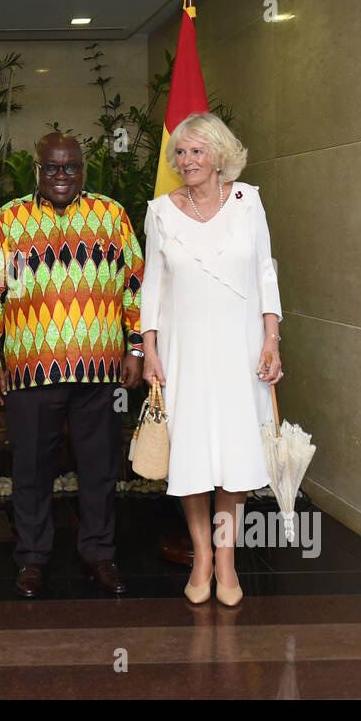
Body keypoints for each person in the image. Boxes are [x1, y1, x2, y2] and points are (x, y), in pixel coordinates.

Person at [0, 132, 145, 598]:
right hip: (30, 370)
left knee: (100, 468)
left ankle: (99, 554)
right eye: (52, 168)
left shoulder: (112, 215)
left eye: (71, 167)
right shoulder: (8, 220)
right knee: (30, 468)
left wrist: (137, 348)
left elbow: (136, 285)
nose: (62, 176)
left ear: (83, 169)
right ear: (37, 170)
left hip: (101, 369)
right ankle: (31, 559)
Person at [140, 113, 283, 607]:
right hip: (185, 351)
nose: (187, 161)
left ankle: (227, 558)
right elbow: (152, 286)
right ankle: (202, 555)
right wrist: (150, 349)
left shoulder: (248, 202)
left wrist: (272, 339)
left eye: (197, 151)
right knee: (194, 455)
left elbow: (266, 270)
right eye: (180, 153)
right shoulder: (159, 211)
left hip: (241, 348)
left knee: (235, 455)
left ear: (220, 155)